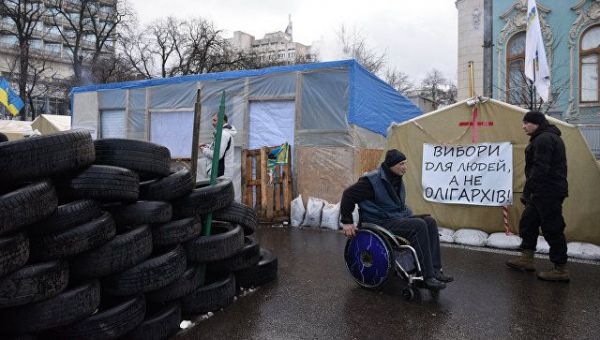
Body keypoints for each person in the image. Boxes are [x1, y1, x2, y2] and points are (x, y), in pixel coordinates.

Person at [340, 149, 453, 291]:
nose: (405, 167)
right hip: (379, 222)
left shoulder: (395, 178)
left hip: (394, 217)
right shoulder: (371, 181)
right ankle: (427, 277)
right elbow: (348, 195)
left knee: (430, 221)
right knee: (418, 226)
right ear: (391, 165)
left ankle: (436, 271)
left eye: (405, 163)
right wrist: (347, 221)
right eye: (401, 164)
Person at [506, 110, 569, 282]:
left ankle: (560, 268)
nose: (523, 126)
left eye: (527, 123)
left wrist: (528, 192)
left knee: (552, 228)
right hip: (541, 191)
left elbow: (540, 169)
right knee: (528, 222)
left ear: (537, 124)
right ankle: (527, 258)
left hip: (548, 191)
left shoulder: (544, 139)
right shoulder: (544, 137)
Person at [199, 113, 237, 179]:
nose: (212, 123)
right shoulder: (223, 133)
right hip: (220, 173)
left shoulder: (223, 134)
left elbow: (217, 155)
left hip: (220, 174)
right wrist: (208, 146)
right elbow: (219, 149)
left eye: (214, 120)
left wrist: (204, 150)